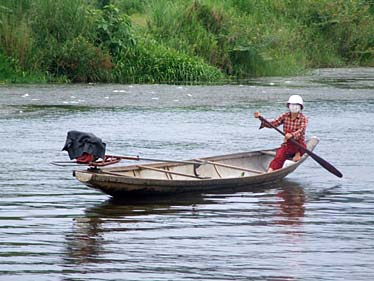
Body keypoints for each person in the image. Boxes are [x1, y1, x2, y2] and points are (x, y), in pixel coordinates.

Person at [254, 95, 308, 173]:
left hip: (298, 143)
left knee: (301, 149)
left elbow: (301, 130)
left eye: (296, 105)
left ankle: (298, 153)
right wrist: (260, 118)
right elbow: (273, 123)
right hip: (287, 144)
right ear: (289, 106)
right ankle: (269, 172)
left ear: (300, 107)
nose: (294, 107)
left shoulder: (303, 118)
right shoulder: (285, 116)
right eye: (292, 105)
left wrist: (292, 135)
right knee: (279, 156)